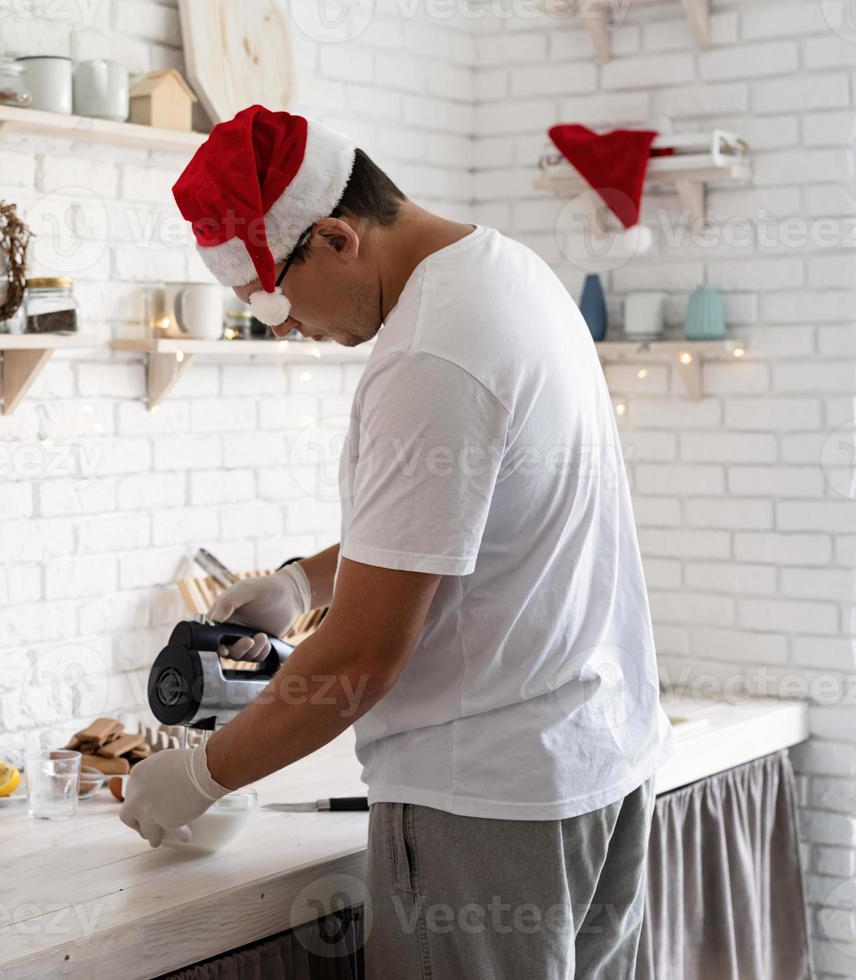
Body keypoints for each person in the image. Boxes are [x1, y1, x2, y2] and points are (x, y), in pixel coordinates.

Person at [119, 105, 673, 978]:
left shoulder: (427, 354)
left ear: (337, 238)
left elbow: (367, 657)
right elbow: (471, 515)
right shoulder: (508, 274)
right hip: (599, 768)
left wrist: (203, 776)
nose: (282, 327)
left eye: (271, 298)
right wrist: (305, 582)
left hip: (482, 807)